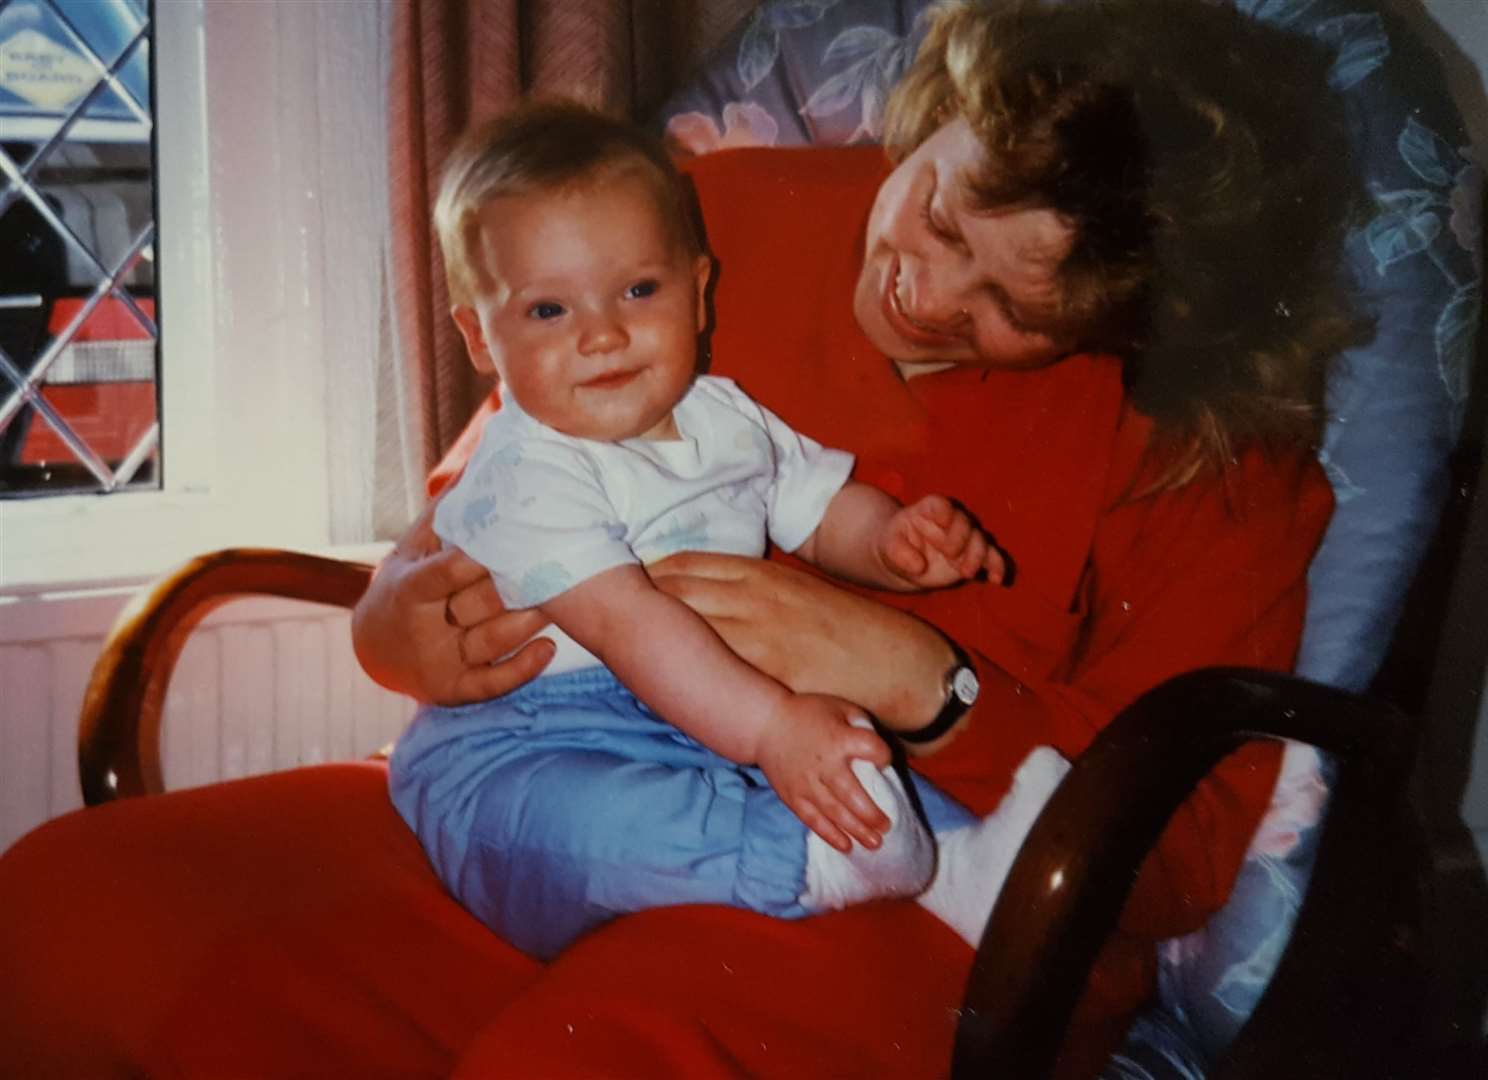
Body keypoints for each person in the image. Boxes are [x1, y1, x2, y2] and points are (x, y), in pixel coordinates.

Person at [353, 0, 1364, 1073]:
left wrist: (932, 691)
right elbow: (479, 496)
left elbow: (1183, 850)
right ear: (943, 110)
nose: (925, 293)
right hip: (572, 777)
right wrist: (389, 627)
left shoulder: (1209, 456)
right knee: (185, 925)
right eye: (940, 209)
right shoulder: (697, 230)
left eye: (1015, 306)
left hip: (940, 903)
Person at [387, 102, 1063, 961]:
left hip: (699, 713)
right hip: (523, 743)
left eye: (638, 290)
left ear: (697, 290)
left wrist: (894, 544)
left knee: (852, 755)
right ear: (480, 337)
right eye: (548, 311)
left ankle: (968, 860)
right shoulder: (526, 469)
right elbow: (630, 624)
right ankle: (802, 860)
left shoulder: (724, 414)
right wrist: (773, 728)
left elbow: (816, 507)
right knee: (608, 825)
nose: (601, 333)